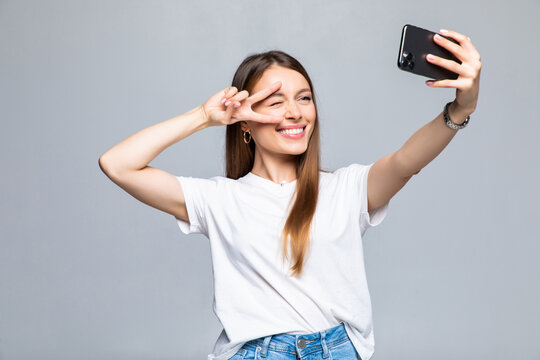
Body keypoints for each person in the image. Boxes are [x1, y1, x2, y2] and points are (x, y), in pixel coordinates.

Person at [99, 29, 481, 360]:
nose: (296, 112)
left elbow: (404, 163)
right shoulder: (218, 200)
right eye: (276, 102)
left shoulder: (345, 190)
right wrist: (204, 116)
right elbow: (117, 164)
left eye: (304, 98)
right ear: (244, 120)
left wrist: (462, 108)